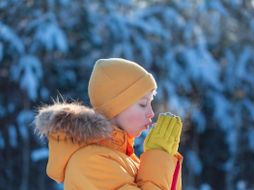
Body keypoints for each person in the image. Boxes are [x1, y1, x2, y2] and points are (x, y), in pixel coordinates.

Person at [34, 58, 183, 190]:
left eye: (151, 103)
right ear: (116, 107)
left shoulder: (125, 159)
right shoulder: (89, 163)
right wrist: (158, 155)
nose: (151, 112)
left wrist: (165, 158)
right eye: (143, 104)